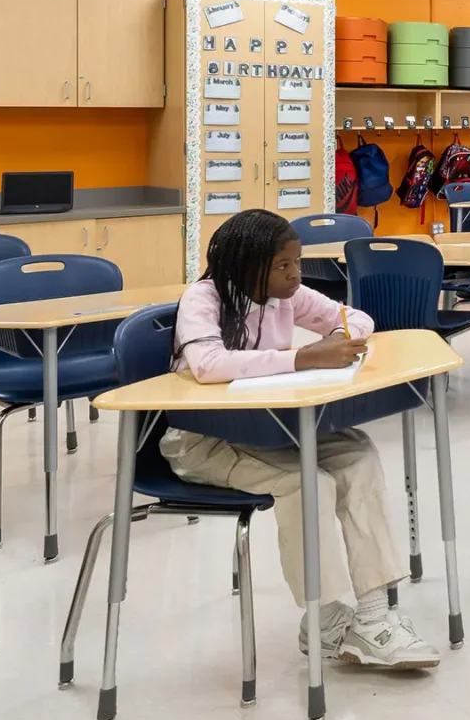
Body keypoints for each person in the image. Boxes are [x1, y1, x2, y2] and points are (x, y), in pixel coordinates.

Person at [163, 210, 439, 670]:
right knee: (308, 481)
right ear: (247, 265)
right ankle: (325, 619)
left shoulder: (287, 294)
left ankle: (373, 619)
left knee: (358, 456)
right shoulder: (204, 298)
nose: (296, 274)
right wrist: (303, 358)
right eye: (284, 265)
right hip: (205, 440)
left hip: (273, 428)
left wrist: (334, 338)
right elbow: (208, 364)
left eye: (298, 262)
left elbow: (356, 318)